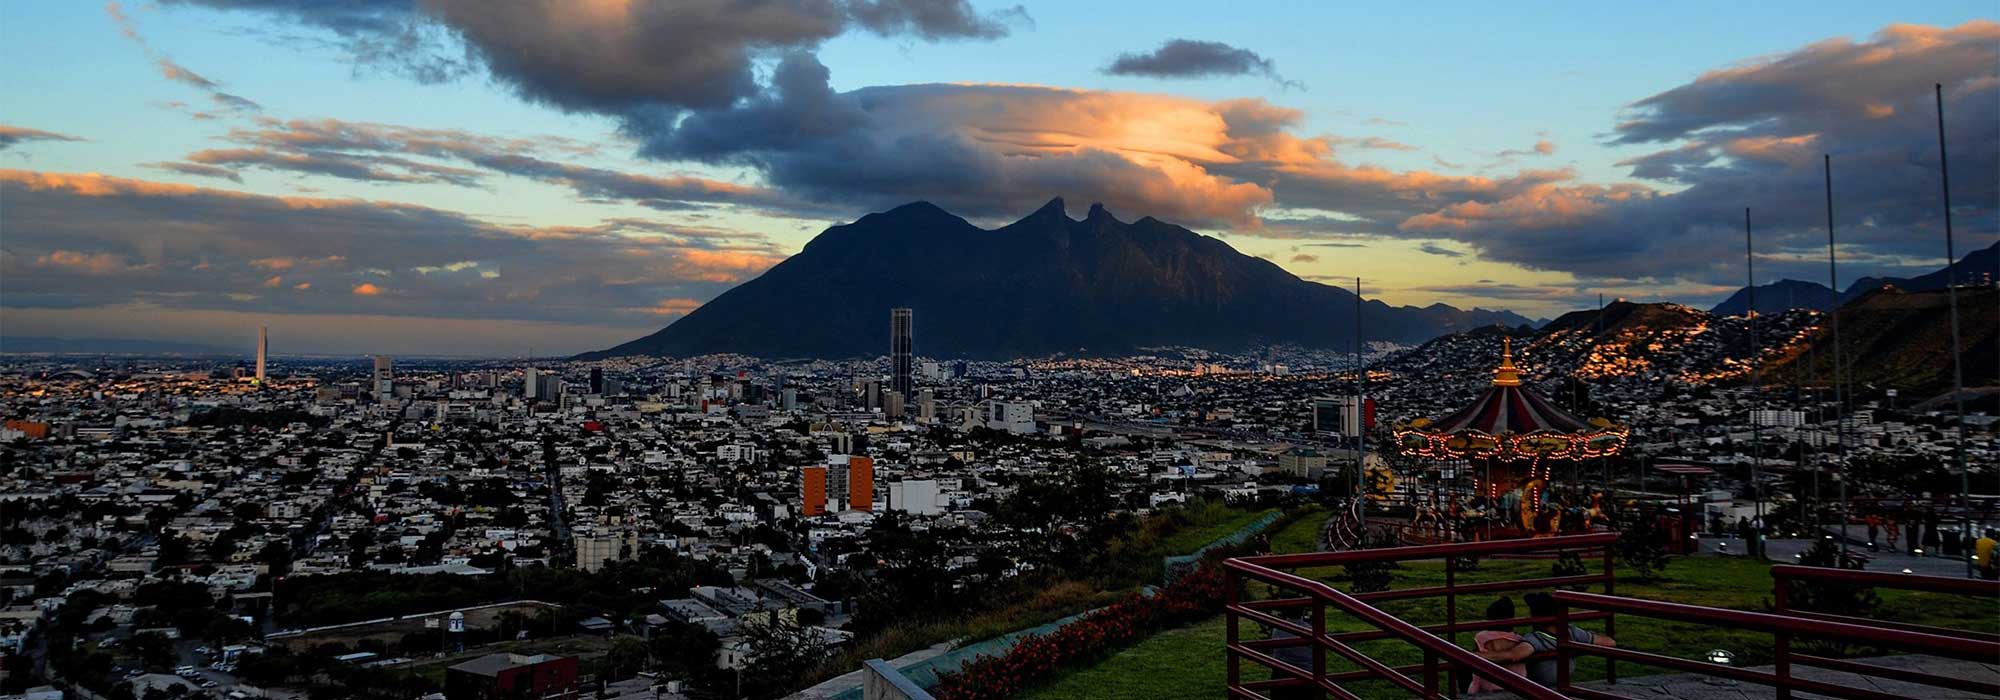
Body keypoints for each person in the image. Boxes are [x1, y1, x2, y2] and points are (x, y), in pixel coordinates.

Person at [1520, 592, 1615, 687]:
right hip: (1562, 684)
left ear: (1535, 616)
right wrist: (1577, 647)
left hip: (1538, 689)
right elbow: (1610, 642)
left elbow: (1514, 655)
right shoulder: (1571, 632)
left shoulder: (1535, 638)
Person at [1467, 597, 1531, 694]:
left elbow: (1473, 662)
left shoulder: (1481, 637)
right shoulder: (1519, 639)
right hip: (1518, 685)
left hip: (1488, 686)